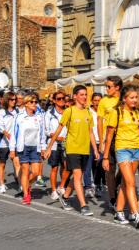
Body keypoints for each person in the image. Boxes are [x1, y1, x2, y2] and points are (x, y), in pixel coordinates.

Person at [45, 85, 99, 216]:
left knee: (76, 177)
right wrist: (48, 148)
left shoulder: (88, 112)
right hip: (72, 149)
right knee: (77, 177)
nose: (84, 97)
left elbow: (90, 132)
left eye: (85, 94)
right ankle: (84, 205)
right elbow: (58, 129)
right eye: (81, 95)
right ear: (75, 97)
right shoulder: (69, 111)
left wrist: (96, 150)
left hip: (85, 149)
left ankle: (65, 197)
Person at [103, 86, 139, 229]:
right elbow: (109, 135)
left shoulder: (138, 113)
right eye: (132, 97)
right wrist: (105, 157)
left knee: (125, 183)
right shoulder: (116, 112)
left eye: (136, 97)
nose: (135, 100)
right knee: (131, 182)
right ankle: (135, 213)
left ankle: (118, 212)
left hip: (136, 150)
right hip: (122, 150)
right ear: (124, 98)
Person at [10, 94, 46, 205]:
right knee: (25, 171)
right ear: (26, 104)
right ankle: (26, 195)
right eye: (32, 102)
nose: (34, 104)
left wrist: (43, 147)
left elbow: (42, 134)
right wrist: (12, 149)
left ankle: (26, 185)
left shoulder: (39, 117)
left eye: (35, 102)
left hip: (35, 147)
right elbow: (14, 133)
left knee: (35, 173)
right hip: (23, 147)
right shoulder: (19, 117)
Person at [98, 76, 123, 209]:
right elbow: (99, 121)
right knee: (110, 170)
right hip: (110, 138)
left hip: (124, 137)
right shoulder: (103, 101)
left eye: (109, 86)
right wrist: (102, 141)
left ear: (117, 87)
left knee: (125, 169)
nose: (106, 89)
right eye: (106, 86)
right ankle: (113, 199)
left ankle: (117, 184)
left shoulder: (124, 99)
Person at [44, 90, 71, 200]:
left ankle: (61, 186)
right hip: (54, 143)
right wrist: (54, 136)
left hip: (66, 143)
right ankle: (54, 190)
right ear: (54, 101)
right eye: (59, 99)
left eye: (63, 98)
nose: (61, 101)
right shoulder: (49, 114)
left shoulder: (68, 112)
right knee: (54, 168)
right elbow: (46, 130)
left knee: (67, 167)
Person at [0, 92, 18, 194]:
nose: (14, 102)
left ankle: (20, 183)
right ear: (7, 100)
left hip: (14, 143)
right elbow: (1, 127)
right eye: (11, 100)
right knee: (2, 163)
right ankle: (1, 184)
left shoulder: (17, 112)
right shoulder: (1, 112)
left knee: (16, 162)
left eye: (14, 100)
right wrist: (7, 134)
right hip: (3, 143)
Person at [86, 93, 105, 198]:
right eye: (95, 100)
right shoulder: (88, 112)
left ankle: (97, 185)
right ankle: (88, 187)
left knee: (99, 166)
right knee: (88, 166)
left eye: (99, 100)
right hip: (89, 142)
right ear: (92, 101)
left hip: (101, 142)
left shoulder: (105, 113)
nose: (97, 103)